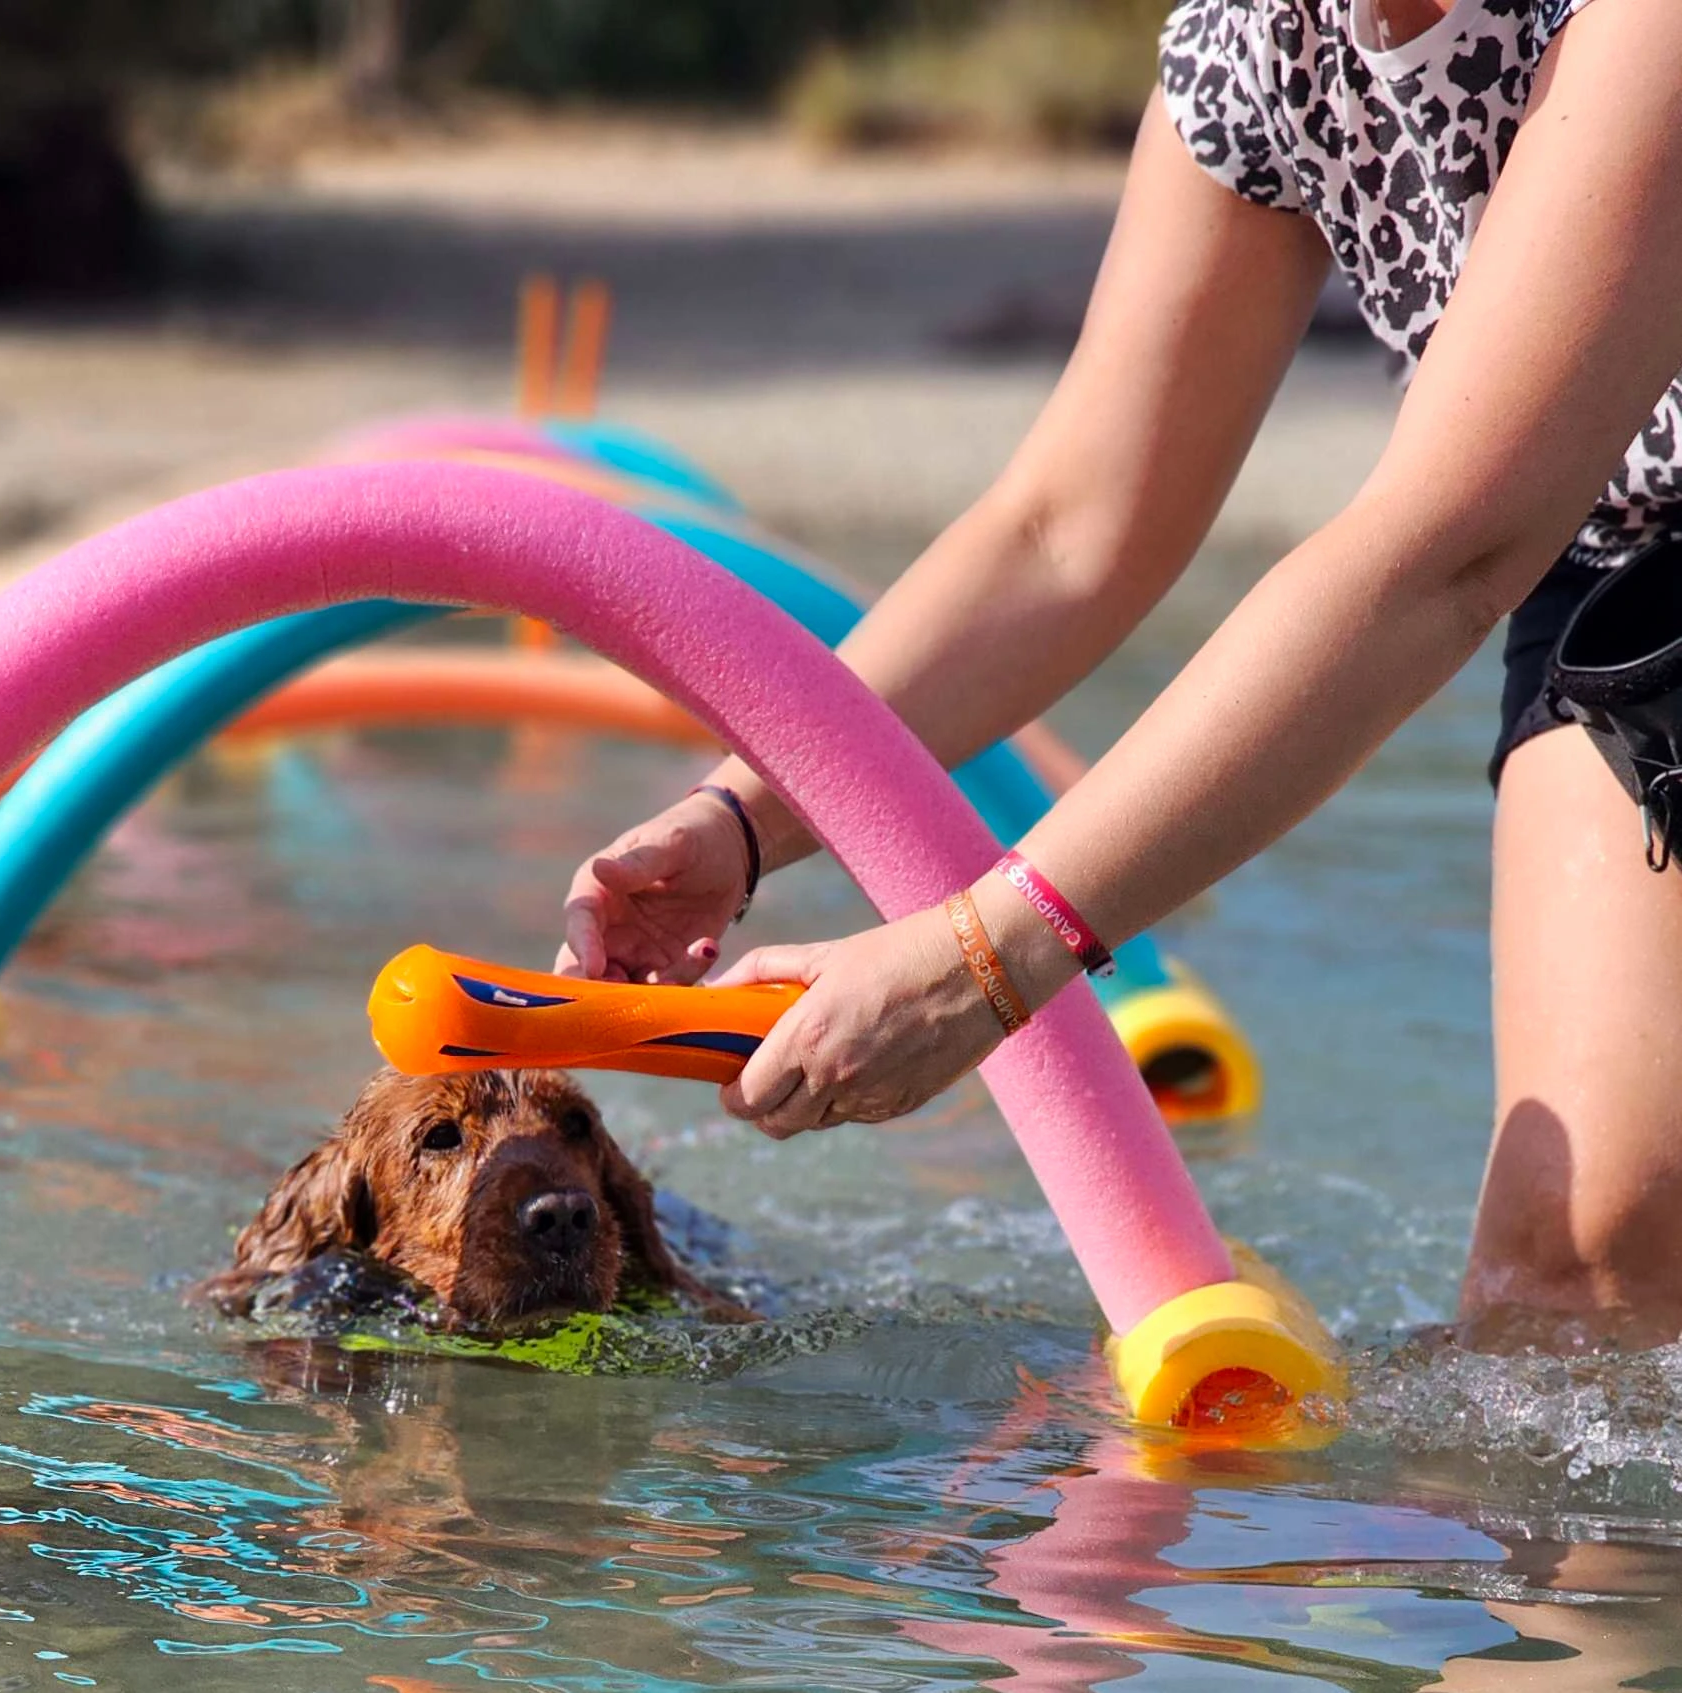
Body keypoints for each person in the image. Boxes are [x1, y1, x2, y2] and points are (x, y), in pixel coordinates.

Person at [558, 0, 1682, 1338]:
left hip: (1507, 530)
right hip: (1611, 561)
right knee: (1576, 1276)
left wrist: (980, 962)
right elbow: (1068, 530)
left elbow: (1442, 553)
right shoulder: (1265, 39)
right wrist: (747, 817)